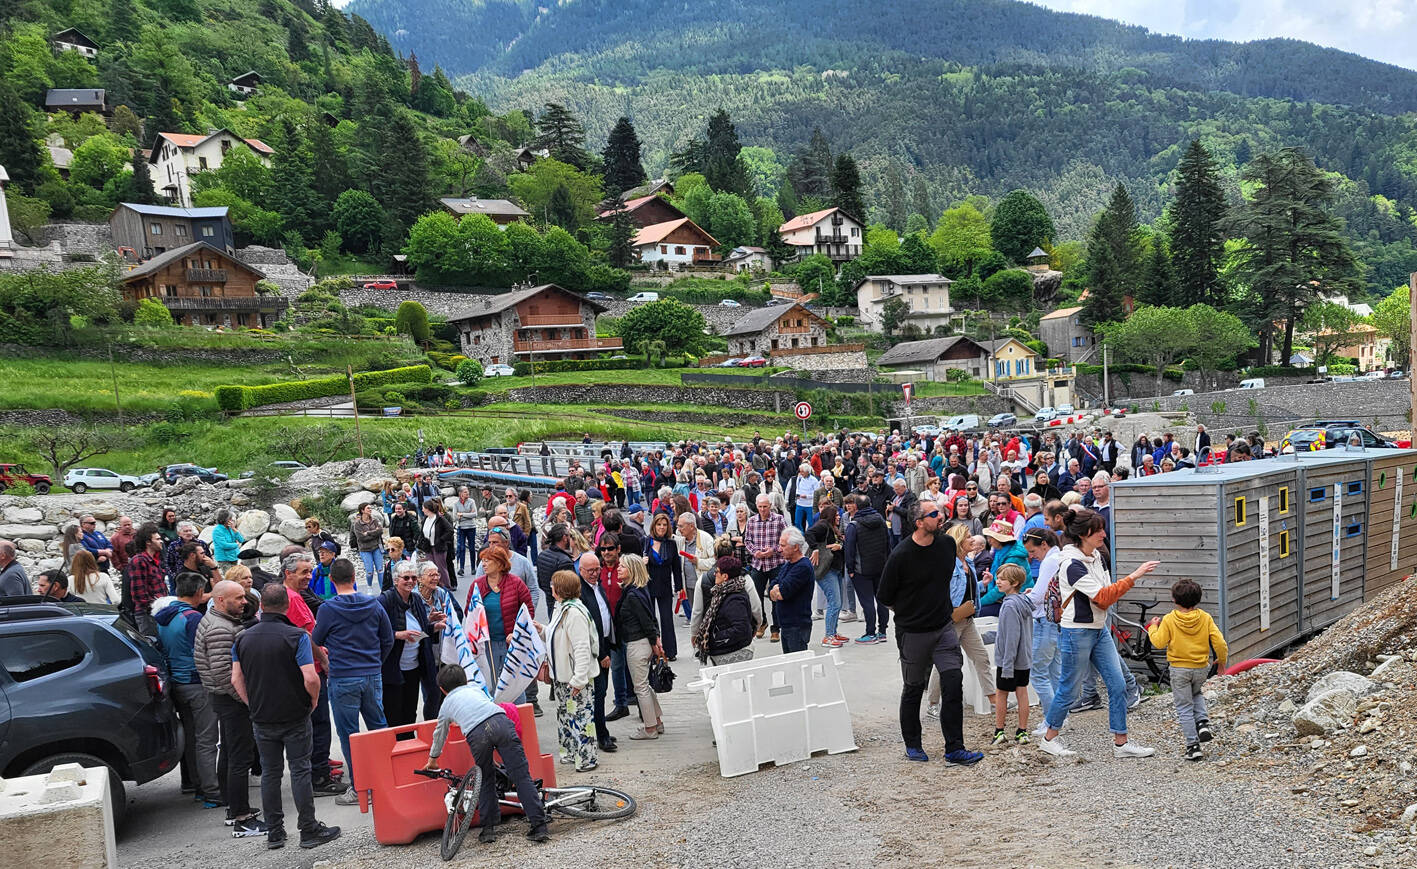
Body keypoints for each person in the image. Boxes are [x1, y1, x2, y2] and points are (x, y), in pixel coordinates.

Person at [1038, 509, 1160, 760]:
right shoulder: (1071, 564)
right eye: (1099, 530)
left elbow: (1104, 596)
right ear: (1083, 535)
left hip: (1097, 629)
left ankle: (1121, 743)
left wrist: (1114, 590)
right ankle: (1048, 738)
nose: (1104, 534)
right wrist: (1134, 576)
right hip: (1077, 631)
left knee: (1118, 684)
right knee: (1069, 689)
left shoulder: (1097, 557)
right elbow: (1105, 597)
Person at [230, 584, 342, 851]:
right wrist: (313, 700)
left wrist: (252, 703)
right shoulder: (297, 636)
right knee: (300, 770)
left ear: (261, 606)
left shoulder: (242, 638)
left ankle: (275, 831)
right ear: (286, 606)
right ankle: (308, 828)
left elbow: (236, 678)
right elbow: (311, 677)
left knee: (271, 773)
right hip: (294, 713)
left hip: (262, 716)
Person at [878, 501, 982, 766]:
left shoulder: (946, 545)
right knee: (913, 689)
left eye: (940, 512)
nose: (942, 516)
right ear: (919, 522)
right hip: (913, 632)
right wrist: (911, 612)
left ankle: (955, 748)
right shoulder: (901, 555)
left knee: (952, 682)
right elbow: (885, 596)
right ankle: (913, 744)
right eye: (934, 514)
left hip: (943, 628)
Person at [422, 665, 549, 844]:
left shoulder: (446, 705)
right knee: (521, 777)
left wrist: (433, 759)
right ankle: (539, 826)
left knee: (486, 779)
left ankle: (488, 830)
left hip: (477, 734)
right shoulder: (475, 688)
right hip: (501, 722)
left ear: (442, 689)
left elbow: (439, 734)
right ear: (465, 680)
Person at [313, 558, 393, 806]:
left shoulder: (328, 608)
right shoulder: (373, 604)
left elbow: (316, 639)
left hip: (343, 676)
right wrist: (376, 662)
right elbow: (387, 639)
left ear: (332, 581)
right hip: (371, 673)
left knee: (350, 733)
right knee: (379, 726)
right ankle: (388, 780)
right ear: (354, 578)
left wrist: (329, 661)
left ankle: (361, 788)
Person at [195, 580, 267, 837]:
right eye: (238, 598)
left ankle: (233, 808)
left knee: (228, 752)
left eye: (244, 597)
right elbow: (225, 675)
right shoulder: (220, 629)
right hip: (231, 700)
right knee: (240, 758)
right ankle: (241, 818)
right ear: (220, 600)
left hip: (223, 698)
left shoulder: (219, 621)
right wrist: (248, 700)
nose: (245, 602)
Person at [277, 551, 341, 795]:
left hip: (302, 666)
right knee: (319, 722)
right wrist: (324, 659)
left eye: (310, 571)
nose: (309, 577)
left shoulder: (291, 595)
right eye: (304, 572)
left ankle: (318, 770)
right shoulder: (292, 598)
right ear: (288, 574)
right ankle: (320, 777)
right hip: (310, 668)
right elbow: (306, 634)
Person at [1146, 578, 1228, 761]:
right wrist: (1221, 662)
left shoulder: (1169, 619)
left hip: (1179, 669)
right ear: (1198, 599)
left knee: (1184, 706)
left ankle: (1193, 746)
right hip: (1201, 667)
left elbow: (1158, 642)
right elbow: (1220, 642)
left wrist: (1153, 627)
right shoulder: (1205, 617)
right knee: (1197, 694)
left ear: (1174, 600)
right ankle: (1202, 723)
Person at [157, 572, 221, 807]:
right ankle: (212, 791)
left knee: (192, 737)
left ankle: (195, 785)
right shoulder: (193, 618)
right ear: (197, 593)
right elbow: (203, 651)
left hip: (177, 682)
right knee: (207, 739)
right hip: (196, 682)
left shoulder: (164, 615)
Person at [543, 570, 600, 772]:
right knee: (566, 718)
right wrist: (541, 630)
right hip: (562, 678)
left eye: (552, 584)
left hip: (575, 679)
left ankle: (586, 759)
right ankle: (570, 753)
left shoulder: (574, 613)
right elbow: (555, 635)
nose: (550, 587)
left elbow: (582, 648)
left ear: (560, 589)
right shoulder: (561, 608)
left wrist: (579, 679)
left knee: (582, 720)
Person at [378, 561, 443, 727]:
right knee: (393, 713)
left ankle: (409, 745)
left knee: (410, 711)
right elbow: (373, 633)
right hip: (393, 668)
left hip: (414, 666)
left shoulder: (415, 599)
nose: (410, 581)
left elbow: (420, 630)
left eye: (414, 578)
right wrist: (398, 635)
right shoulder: (384, 601)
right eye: (406, 577)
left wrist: (433, 626)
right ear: (395, 580)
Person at [475, 547, 535, 704]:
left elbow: (528, 610)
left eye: (487, 560)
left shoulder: (516, 583)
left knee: (514, 684)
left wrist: (517, 632)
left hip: (512, 642)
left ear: (500, 563)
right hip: (488, 644)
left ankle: (519, 719)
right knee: (491, 684)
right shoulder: (478, 585)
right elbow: (471, 613)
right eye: (482, 561)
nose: (483, 564)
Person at [616, 554, 664, 740]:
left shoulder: (633, 595)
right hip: (643, 642)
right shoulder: (638, 590)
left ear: (632, 570)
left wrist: (655, 642)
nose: (618, 568)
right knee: (645, 685)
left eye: (622, 566)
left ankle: (650, 728)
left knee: (641, 688)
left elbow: (646, 621)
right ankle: (657, 722)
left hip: (638, 644)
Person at [1021, 527, 1064, 734]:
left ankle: (1050, 721)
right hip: (1055, 621)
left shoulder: (1049, 561)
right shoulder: (1058, 556)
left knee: (1038, 673)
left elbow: (1038, 596)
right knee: (1055, 672)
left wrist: (1017, 599)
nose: (1032, 556)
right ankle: (1060, 718)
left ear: (1043, 545)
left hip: (1044, 621)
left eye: (1032, 551)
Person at [576, 552, 618, 754]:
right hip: (596, 652)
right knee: (599, 693)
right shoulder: (581, 591)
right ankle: (601, 735)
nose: (594, 573)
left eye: (597, 569)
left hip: (606, 646)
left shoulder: (597, 585)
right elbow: (590, 629)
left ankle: (600, 729)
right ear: (580, 570)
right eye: (590, 571)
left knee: (601, 692)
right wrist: (602, 654)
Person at [690, 556, 762, 665]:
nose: (714, 574)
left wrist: (713, 638)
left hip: (733, 652)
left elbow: (740, 629)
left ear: (725, 576)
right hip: (725, 649)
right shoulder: (722, 592)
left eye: (717, 571)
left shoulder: (735, 599)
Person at [991, 564, 1034, 745]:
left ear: (1014, 583)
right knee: (1022, 693)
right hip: (1024, 659)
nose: (997, 581)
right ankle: (1022, 731)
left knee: (1001, 693)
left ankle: (999, 731)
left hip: (1009, 660)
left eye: (1002, 579)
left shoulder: (1009, 606)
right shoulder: (1023, 601)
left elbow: (1011, 637)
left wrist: (1007, 664)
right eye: (997, 577)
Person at [843, 494, 889, 645]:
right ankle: (882, 632)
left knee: (867, 601)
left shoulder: (854, 525)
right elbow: (888, 543)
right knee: (881, 600)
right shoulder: (881, 521)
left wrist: (850, 569)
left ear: (856, 506)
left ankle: (870, 633)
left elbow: (848, 549)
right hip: (881, 567)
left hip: (861, 569)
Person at [745, 494, 786, 643]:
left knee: (775, 595)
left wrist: (773, 550)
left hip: (775, 563)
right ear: (757, 506)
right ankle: (762, 623)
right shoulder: (751, 521)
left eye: (765, 507)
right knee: (756, 596)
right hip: (758, 564)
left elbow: (785, 539)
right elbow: (747, 540)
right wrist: (755, 551)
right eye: (760, 507)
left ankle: (776, 628)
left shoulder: (779, 519)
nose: (763, 509)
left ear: (770, 506)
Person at [768, 526, 815, 653]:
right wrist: (775, 589)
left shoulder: (803, 567)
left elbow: (783, 593)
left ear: (795, 547)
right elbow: (771, 587)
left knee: (798, 668)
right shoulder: (788, 564)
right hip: (787, 625)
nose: (779, 549)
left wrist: (777, 590)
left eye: (783, 546)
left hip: (797, 626)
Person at [642, 513, 682, 660]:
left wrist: (679, 586)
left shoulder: (671, 543)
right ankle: (653, 652)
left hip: (665, 586)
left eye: (664, 525)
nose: (662, 527)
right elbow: (634, 563)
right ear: (654, 526)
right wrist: (642, 562)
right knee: (650, 620)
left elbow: (676, 566)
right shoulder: (645, 542)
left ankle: (670, 652)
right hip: (648, 585)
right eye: (659, 524)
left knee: (667, 619)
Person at [804, 506, 846, 648]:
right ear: (830, 516)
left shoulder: (832, 528)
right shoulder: (823, 525)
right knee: (835, 603)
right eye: (836, 515)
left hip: (835, 569)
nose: (839, 517)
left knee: (837, 603)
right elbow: (808, 533)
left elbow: (831, 544)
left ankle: (833, 632)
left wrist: (837, 545)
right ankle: (828, 636)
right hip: (826, 570)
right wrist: (815, 548)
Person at [125, 525, 166, 636]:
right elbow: (138, 594)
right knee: (153, 644)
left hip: (159, 610)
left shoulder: (154, 560)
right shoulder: (139, 560)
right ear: (148, 542)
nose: (161, 541)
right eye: (157, 539)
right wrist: (153, 608)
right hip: (148, 614)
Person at [675, 511, 713, 625]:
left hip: (703, 584)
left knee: (706, 615)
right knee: (695, 616)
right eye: (678, 526)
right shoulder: (680, 539)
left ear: (691, 526)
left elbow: (715, 562)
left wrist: (698, 562)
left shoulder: (706, 538)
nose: (678, 529)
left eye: (681, 526)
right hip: (688, 586)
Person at [420, 499, 455, 590]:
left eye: (423, 508)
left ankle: (446, 587)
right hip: (428, 547)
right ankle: (435, 586)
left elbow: (450, 530)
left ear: (428, 509)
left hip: (438, 547)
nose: (422, 510)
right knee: (431, 568)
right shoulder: (425, 520)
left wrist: (441, 540)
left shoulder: (440, 519)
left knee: (441, 568)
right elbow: (422, 532)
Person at [351, 504, 386, 593]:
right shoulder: (357, 524)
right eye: (368, 508)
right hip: (365, 550)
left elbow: (380, 531)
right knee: (369, 571)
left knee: (380, 570)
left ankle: (382, 589)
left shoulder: (375, 520)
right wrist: (374, 533)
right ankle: (369, 586)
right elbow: (361, 538)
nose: (370, 509)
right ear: (362, 510)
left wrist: (368, 533)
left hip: (377, 548)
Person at [451, 487, 479, 575]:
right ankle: (461, 568)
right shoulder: (456, 503)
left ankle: (473, 568)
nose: (467, 493)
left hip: (471, 527)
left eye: (467, 492)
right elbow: (454, 517)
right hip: (461, 528)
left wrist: (462, 514)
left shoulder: (471, 501)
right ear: (460, 493)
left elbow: (474, 514)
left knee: (471, 548)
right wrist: (468, 514)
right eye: (465, 492)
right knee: (461, 548)